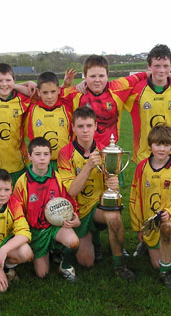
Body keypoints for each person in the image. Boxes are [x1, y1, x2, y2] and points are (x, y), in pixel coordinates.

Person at [58, 106, 135, 281]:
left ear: (95, 126)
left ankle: (119, 265)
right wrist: (88, 166)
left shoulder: (106, 151)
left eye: (88, 125)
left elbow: (113, 186)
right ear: (73, 127)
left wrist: (113, 185)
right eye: (80, 126)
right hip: (77, 211)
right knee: (87, 262)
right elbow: (72, 191)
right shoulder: (65, 154)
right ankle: (94, 240)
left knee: (114, 215)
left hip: (98, 206)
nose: (85, 130)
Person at [13, 137, 81, 281]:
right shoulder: (22, 183)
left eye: (45, 154)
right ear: (29, 156)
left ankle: (66, 265)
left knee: (74, 241)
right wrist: (24, 236)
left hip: (55, 227)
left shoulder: (58, 178)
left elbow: (69, 203)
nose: (42, 158)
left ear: (51, 156)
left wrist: (76, 219)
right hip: (36, 231)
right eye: (37, 154)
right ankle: (45, 252)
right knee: (42, 274)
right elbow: (17, 214)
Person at [129, 124, 171, 288]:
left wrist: (170, 212)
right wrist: (139, 227)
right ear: (150, 145)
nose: (161, 149)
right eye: (157, 144)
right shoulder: (142, 167)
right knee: (156, 263)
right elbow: (135, 198)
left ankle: (166, 273)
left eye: (166, 145)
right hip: (150, 222)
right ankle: (148, 243)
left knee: (166, 230)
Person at [125, 44, 171, 163]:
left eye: (165, 66)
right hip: (145, 153)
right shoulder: (136, 89)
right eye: (157, 66)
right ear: (149, 66)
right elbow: (111, 95)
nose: (161, 70)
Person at [23, 71, 74, 170]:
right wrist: (28, 82)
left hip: (64, 163)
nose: (49, 96)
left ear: (59, 90)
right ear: (38, 92)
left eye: (53, 92)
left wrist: (66, 85)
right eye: (45, 92)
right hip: (39, 164)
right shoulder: (31, 108)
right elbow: (8, 87)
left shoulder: (67, 106)